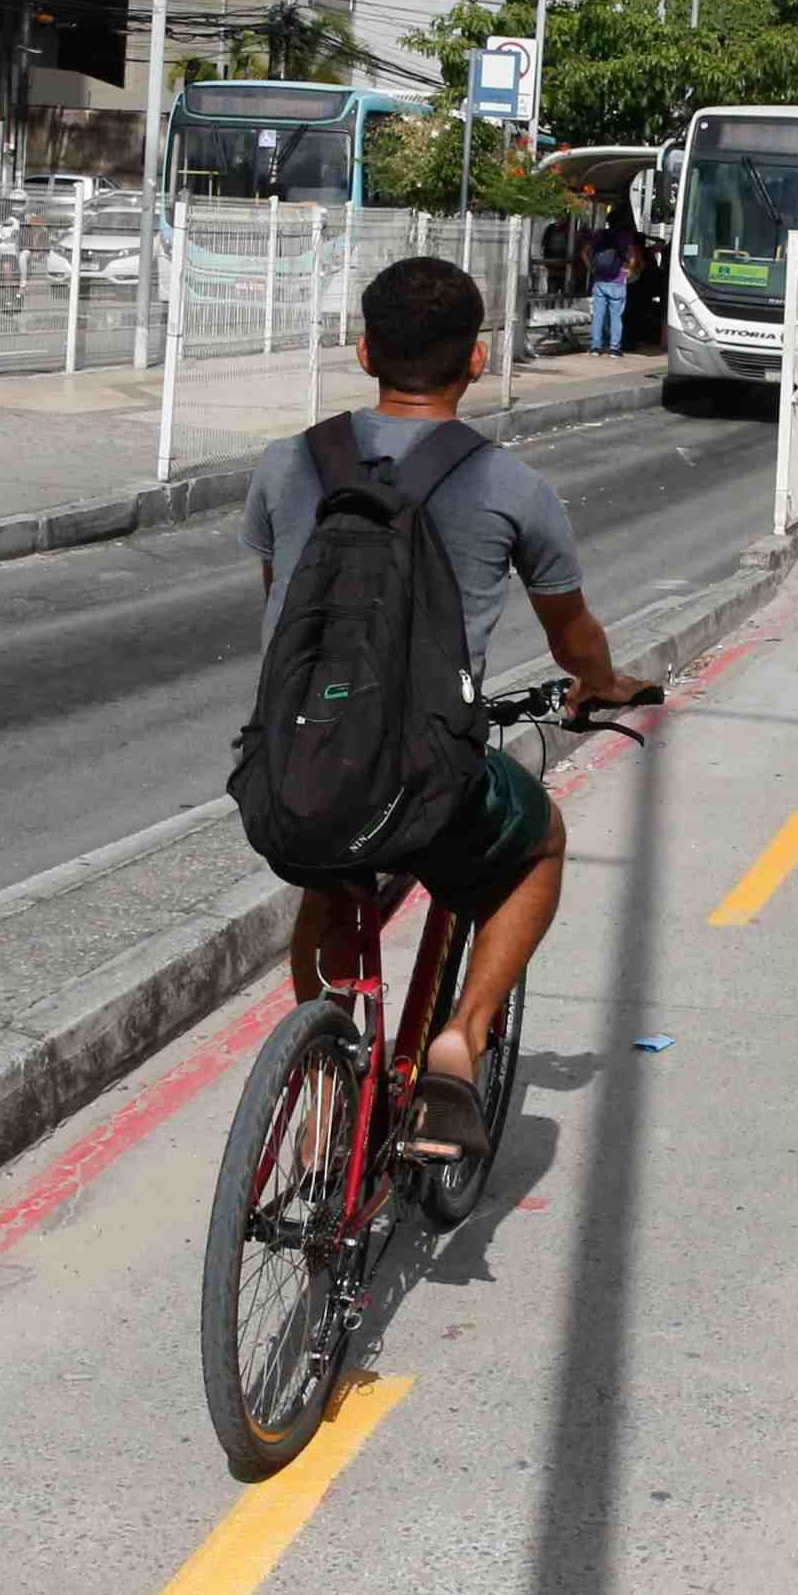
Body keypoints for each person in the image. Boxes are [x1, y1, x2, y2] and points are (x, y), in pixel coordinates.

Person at [244, 255, 648, 1162]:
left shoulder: (286, 465)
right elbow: (572, 638)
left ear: (362, 350)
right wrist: (604, 684)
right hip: (425, 778)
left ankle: (325, 1067)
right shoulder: (510, 487)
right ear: (476, 359)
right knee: (538, 840)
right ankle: (460, 1037)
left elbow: (284, 613)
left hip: (291, 773)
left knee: (332, 876)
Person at [586, 218, 631, 353]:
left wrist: (591, 268)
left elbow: (584, 252)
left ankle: (595, 347)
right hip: (617, 282)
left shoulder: (599, 235)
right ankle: (614, 348)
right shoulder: (625, 237)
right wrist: (629, 271)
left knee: (598, 316)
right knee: (616, 317)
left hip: (599, 281)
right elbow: (632, 256)